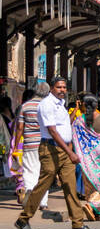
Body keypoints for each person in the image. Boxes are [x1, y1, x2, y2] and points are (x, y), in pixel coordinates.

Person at [14, 75, 97, 229]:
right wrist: (70, 152)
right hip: (50, 149)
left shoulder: (61, 104)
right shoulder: (46, 105)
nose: (62, 90)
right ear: (52, 88)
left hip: (64, 150)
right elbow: (52, 130)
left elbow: (64, 126)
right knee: (43, 185)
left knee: (70, 186)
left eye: (64, 88)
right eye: (59, 87)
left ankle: (77, 224)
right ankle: (23, 219)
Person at [10, 82, 64, 221]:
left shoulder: (25, 106)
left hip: (29, 144)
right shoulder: (47, 106)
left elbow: (20, 128)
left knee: (29, 171)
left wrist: (16, 146)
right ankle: (43, 202)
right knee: (44, 173)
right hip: (44, 144)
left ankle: (29, 197)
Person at [72, 95, 100, 219]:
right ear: (97, 105)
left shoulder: (79, 121)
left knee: (90, 182)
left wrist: (76, 110)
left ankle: (95, 211)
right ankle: (91, 205)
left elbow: (70, 131)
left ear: (83, 106)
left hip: (86, 155)